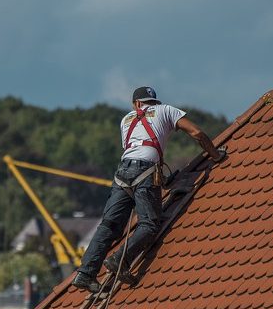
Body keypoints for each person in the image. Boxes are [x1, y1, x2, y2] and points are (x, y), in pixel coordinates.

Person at [71, 86, 225, 293]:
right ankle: (120, 260)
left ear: (136, 104)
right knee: (150, 224)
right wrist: (216, 155)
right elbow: (196, 133)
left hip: (122, 173)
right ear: (153, 102)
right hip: (145, 171)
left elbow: (135, 148)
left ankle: (85, 273)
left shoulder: (125, 120)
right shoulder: (166, 110)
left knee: (109, 225)